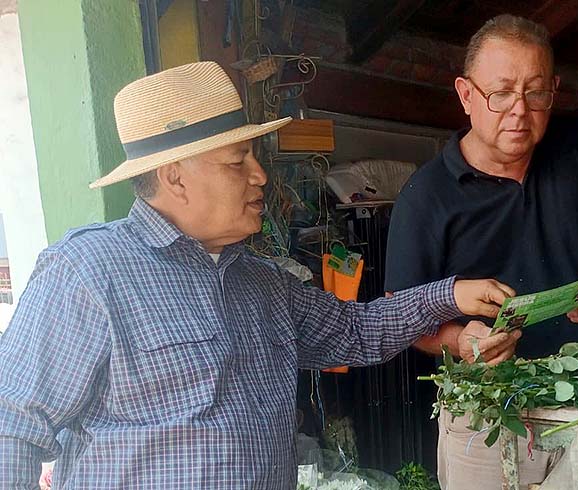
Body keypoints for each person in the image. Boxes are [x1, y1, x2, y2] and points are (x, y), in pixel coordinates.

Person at [0, 61, 519, 490]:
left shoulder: (264, 282)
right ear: (173, 176)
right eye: (237, 160)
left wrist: (448, 294)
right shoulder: (88, 274)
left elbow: (360, 332)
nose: (260, 175)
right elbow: (12, 429)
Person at [384, 15, 578, 489]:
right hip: (485, 417)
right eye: (500, 92)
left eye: (536, 92)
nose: (520, 111)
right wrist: (461, 342)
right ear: (466, 95)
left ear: (554, 90)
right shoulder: (425, 197)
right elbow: (400, 315)